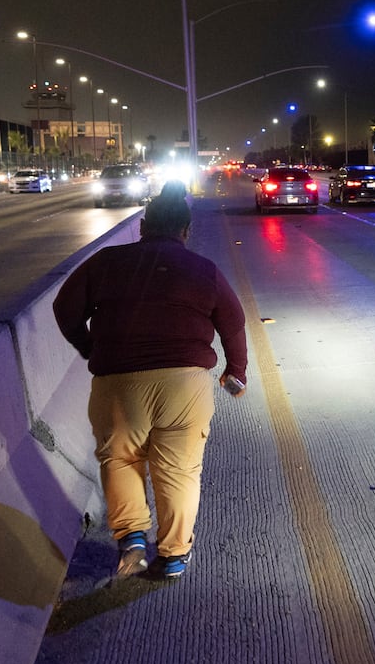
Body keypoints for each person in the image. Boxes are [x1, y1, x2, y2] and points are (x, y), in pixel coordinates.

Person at [52, 186, 248, 582]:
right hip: (185, 385)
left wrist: (89, 346)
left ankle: (132, 538)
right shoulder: (203, 269)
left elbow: (64, 308)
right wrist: (236, 369)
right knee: (178, 470)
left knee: (120, 458)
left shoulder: (107, 262)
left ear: (142, 226)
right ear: (186, 232)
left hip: (118, 383)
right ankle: (174, 555)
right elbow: (233, 321)